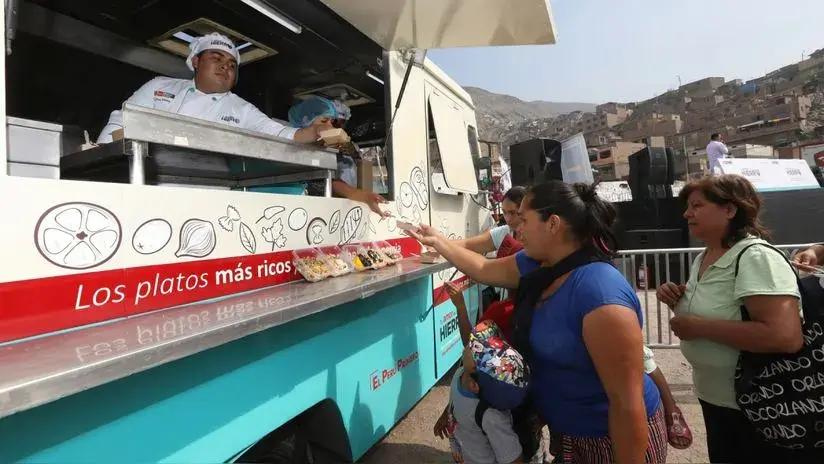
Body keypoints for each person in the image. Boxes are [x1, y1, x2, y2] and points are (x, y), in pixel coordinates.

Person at [411, 181, 667, 463]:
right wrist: (438, 240)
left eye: (523, 219)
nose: (516, 228)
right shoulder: (537, 263)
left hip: (610, 442)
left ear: (552, 224)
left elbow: (626, 405)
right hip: (569, 431)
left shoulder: (600, 295)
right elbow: (483, 268)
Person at [656, 174, 807, 463]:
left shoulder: (755, 257)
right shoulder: (705, 256)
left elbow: (784, 336)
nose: (687, 214)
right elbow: (720, 310)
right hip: (717, 400)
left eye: (697, 206)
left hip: (759, 406)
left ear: (729, 209)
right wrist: (678, 300)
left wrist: (698, 327)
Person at [98, 33, 323, 144]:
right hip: (145, 181)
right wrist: (100, 160)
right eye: (216, 58)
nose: (225, 67)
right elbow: (122, 121)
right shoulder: (159, 86)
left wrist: (313, 132)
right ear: (196, 61)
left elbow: (278, 133)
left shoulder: (242, 109)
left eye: (232, 65)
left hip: (209, 189)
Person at [286, 96, 389, 217]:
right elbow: (327, 182)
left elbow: (338, 179)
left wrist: (364, 196)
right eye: (325, 121)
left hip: (342, 206)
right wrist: (362, 196)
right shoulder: (295, 150)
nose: (331, 126)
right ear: (305, 121)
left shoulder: (337, 146)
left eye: (333, 121)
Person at [448, 321, 531, 464]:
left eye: (475, 351)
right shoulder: (461, 374)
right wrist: (447, 415)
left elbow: (514, 459)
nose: (471, 345)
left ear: (474, 385)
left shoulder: (490, 417)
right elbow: (456, 400)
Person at [454, 187, 526, 255]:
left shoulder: (533, 239)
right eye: (504, 212)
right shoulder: (505, 232)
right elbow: (467, 244)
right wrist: (447, 244)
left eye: (513, 213)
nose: (508, 219)